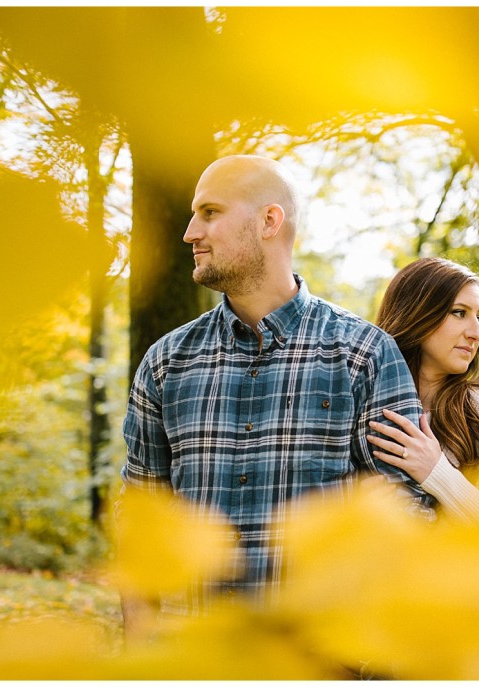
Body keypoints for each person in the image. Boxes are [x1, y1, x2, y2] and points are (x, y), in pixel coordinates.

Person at [119, 155, 435, 638]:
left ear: (269, 220)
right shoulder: (166, 362)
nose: (189, 233)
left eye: (209, 212)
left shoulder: (363, 355)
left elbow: (405, 518)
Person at [368, 257, 479, 569]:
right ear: (415, 311)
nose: (477, 333)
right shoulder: (366, 409)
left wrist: (436, 473)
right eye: (459, 313)